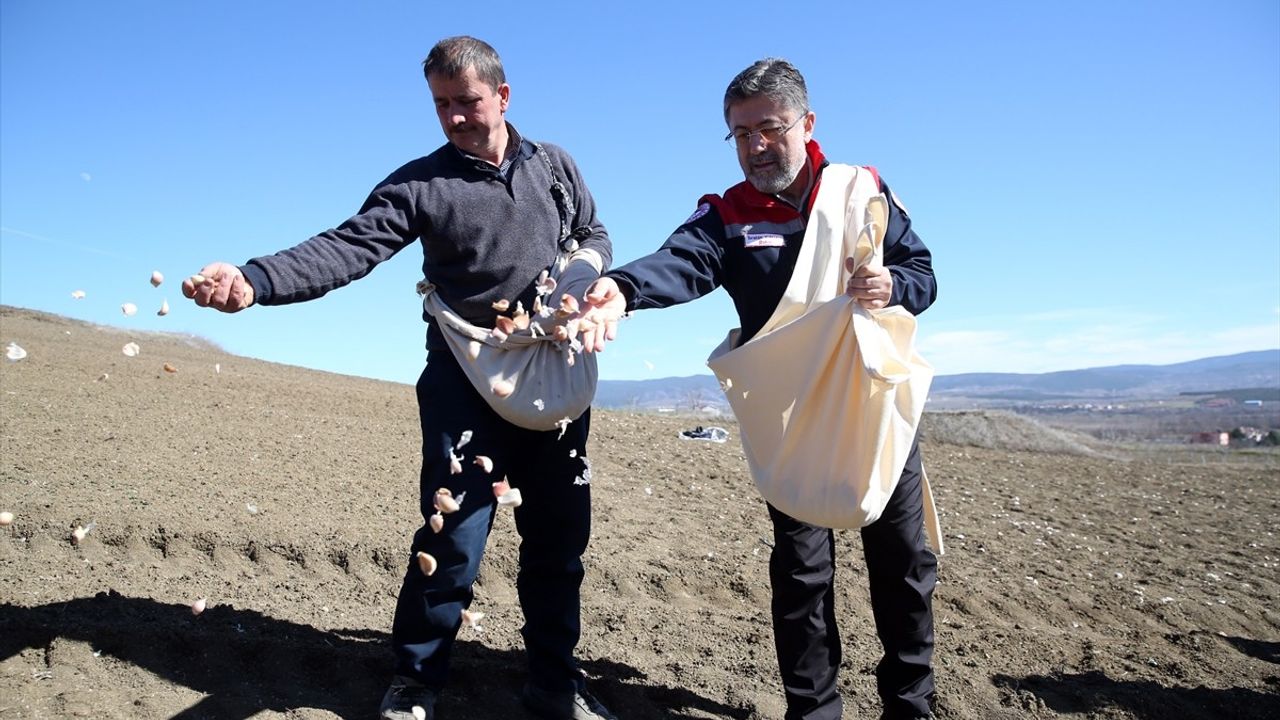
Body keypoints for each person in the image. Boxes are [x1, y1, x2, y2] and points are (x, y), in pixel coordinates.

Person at [183, 36, 617, 720]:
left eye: (467, 102)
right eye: (441, 106)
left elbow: (595, 234)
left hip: (553, 374)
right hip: (462, 377)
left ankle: (556, 686)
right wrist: (255, 280)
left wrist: (583, 277)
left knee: (559, 544)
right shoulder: (421, 183)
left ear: (503, 97)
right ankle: (416, 681)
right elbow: (348, 246)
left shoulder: (556, 166)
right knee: (452, 541)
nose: (454, 118)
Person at [578, 58, 938, 720]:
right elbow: (680, 262)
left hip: (876, 409)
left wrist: (895, 285)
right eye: (740, 135)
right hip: (791, 419)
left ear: (807, 123)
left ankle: (910, 706)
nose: (755, 146)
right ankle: (813, 709)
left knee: (904, 563)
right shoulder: (729, 215)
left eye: (768, 128)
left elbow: (924, 273)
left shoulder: (863, 192)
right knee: (802, 573)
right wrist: (622, 289)